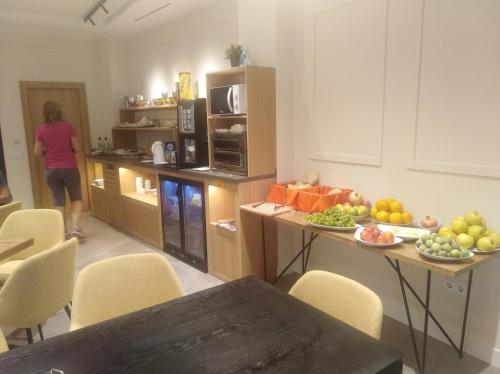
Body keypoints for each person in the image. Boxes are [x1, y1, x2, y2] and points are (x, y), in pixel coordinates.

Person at [34, 101, 84, 238]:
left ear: (43, 113)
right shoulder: (68, 126)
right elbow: (77, 148)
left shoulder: (41, 129)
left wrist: (47, 152)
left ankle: (62, 232)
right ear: (59, 112)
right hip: (69, 168)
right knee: (76, 198)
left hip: (51, 170)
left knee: (59, 201)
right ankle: (75, 228)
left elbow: (36, 153)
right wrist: (70, 150)